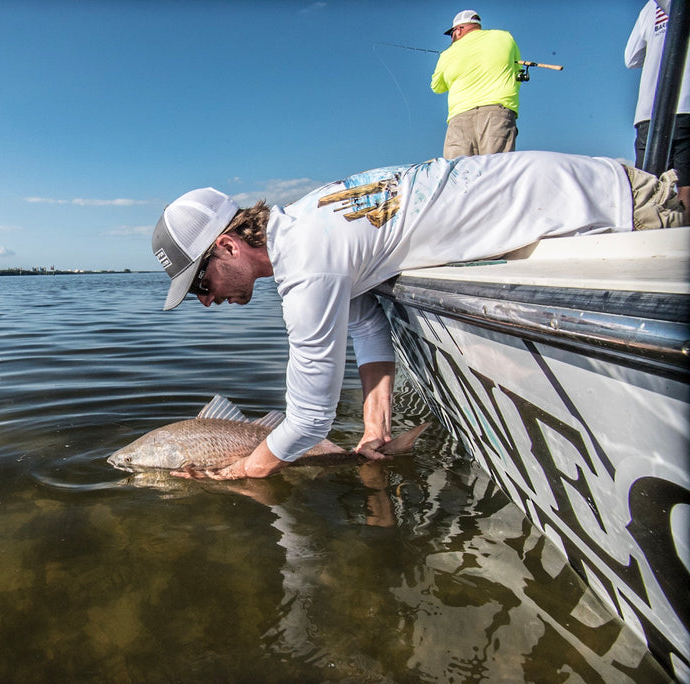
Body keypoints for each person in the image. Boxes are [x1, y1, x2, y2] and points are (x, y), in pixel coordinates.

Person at [150, 151, 685, 480]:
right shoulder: (309, 224)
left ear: (227, 245)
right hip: (584, 195)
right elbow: (367, 323)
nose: (205, 299)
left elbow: (310, 418)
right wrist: (373, 428)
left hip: (608, 209)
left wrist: (248, 468)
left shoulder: (310, 268)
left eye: (200, 282)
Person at [430, 9, 522, 158]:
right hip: (498, 113)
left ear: (458, 30)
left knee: (459, 175)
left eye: (452, 33)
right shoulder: (504, 37)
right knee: (496, 171)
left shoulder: (447, 54)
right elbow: (517, 71)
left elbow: (437, 86)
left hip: (459, 118)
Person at [625, 0, 690, 211]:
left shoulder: (650, 7)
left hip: (648, 113)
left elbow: (631, 58)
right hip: (686, 106)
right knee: (686, 187)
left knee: (647, 187)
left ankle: (647, 236)